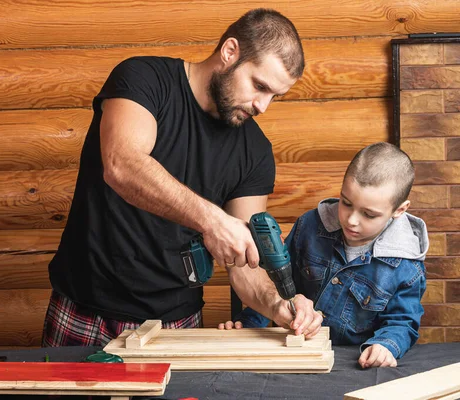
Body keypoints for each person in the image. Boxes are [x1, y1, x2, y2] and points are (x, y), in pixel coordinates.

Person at [42, 8, 324, 347]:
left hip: (177, 324)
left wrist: (277, 304)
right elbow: (123, 164)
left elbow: (244, 259)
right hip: (85, 311)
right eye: (259, 86)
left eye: (274, 96)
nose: (262, 105)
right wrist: (212, 221)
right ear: (230, 52)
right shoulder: (144, 79)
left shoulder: (255, 151)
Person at [219, 142, 429, 369]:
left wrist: (386, 346)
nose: (351, 220)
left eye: (369, 214)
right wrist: (250, 325)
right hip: (295, 356)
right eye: (346, 203)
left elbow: (402, 322)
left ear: (399, 210)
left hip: (354, 365)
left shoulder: (407, 266)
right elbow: (275, 284)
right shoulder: (309, 227)